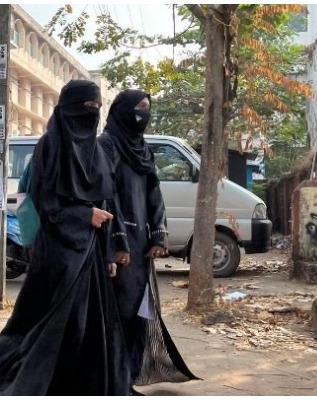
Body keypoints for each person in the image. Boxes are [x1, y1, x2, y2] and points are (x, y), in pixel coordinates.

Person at [0, 80, 130, 396]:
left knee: (88, 325)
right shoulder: (50, 146)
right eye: (85, 108)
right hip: (57, 256)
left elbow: (106, 202)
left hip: (90, 253)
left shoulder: (97, 151)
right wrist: (83, 215)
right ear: (67, 108)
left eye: (96, 108)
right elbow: (46, 201)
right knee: (55, 322)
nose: (89, 114)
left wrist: (108, 253)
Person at [99, 89, 198, 394]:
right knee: (118, 315)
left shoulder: (141, 149)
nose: (145, 113)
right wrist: (115, 246)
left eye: (148, 108)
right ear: (122, 110)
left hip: (141, 248)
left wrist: (158, 235)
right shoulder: (106, 146)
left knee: (139, 314)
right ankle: (114, 382)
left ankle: (126, 378)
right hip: (119, 245)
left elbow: (154, 194)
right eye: (139, 107)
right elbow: (105, 196)